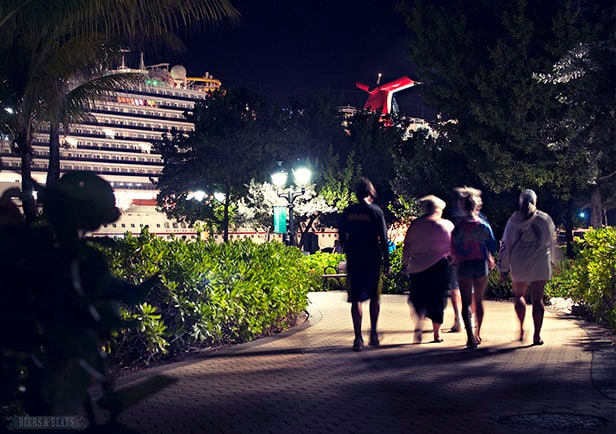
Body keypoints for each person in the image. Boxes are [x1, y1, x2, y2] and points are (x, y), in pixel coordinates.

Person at [497, 189, 556, 345]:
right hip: (540, 262)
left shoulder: (513, 221)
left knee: (520, 297)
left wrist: (503, 268)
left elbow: (506, 245)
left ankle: (521, 330)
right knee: (538, 299)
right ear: (535, 201)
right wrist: (553, 261)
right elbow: (552, 242)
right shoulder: (545, 219)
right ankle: (537, 336)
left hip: (519, 262)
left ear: (520, 202)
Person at [338, 177, 391, 351]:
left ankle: (358, 338)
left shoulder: (348, 212)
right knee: (374, 296)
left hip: (355, 258)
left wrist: (348, 247)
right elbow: (383, 238)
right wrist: (387, 261)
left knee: (356, 299)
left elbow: (341, 235)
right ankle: (373, 333)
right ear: (370, 192)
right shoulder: (376, 212)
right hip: (372, 258)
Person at [402, 195, 454, 344]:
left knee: (418, 297)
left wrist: (405, 264)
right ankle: (436, 334)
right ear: (438, 210)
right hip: (439, 267)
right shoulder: (447, 225)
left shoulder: (416, 225)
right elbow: (454, 247)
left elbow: (407, 246)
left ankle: (419, 322)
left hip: (417, 267)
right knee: (438, 300)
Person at [451, 192, 497, 349]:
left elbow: (454, 247)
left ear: (463, 207)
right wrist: (488, 255)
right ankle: (478, 332)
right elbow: (492, 245)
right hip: (480, 264)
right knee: (478, 300)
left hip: (464, 265)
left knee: (465, 302)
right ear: (477, 206)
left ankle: (470, 336)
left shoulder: (459, 228)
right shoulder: (483, 226)